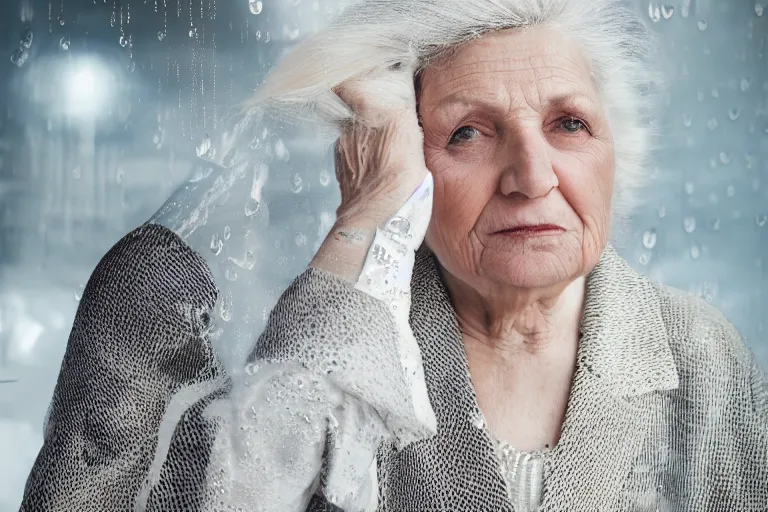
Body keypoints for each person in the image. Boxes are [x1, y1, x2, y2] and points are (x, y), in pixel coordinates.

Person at [19, 0, 768, 511]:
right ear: (396, 157)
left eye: (569, 124)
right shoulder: (317, 334)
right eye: (468, 133)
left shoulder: (699, 352)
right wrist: (367, 215)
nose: (533, 177)